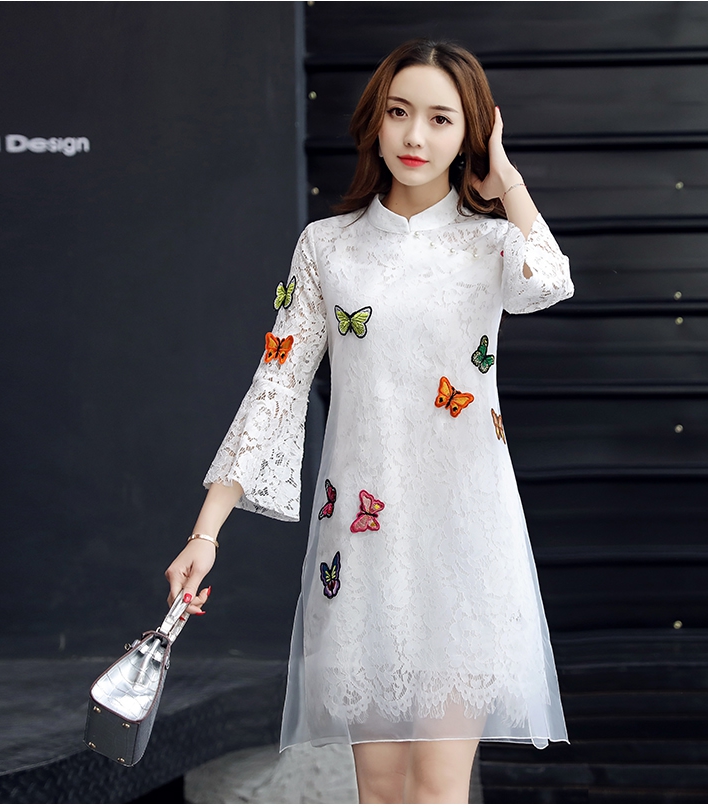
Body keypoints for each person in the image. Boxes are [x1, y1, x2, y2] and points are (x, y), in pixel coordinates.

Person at [166, 39, 574, 804]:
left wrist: (506, 180)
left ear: (472, 132)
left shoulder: (493, 243)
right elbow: (276, 386)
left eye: (441, 119)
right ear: (374, 122)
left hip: (465, 540)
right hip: (361, 543)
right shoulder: (328, 247)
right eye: (399, 112)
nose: (415, 136)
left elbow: (549, 283)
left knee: (438, 791)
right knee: (380, 793)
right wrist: (205, 533)